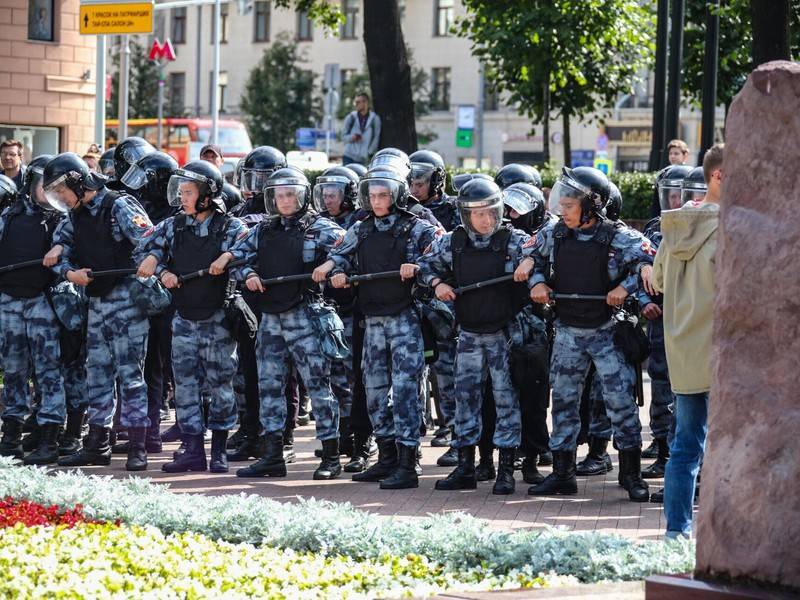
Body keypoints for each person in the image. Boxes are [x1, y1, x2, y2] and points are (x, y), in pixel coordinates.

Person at [528, 166, 652, 502]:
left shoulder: (618, 237)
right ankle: (562, 473)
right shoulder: (553, 234)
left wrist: (625, 288)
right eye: (561, 204)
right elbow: (528, 255)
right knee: (564, 402)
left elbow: (649, 262)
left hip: (607, 331)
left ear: (592, 204)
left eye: (569, 205)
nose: (562, 210)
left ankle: (631, 475)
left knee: (621, 404)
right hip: (568, 330)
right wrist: (536, 280)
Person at [315, 165, 439, 490]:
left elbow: (440, 256)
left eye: (383, 194)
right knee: (373, 391)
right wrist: (332, 271)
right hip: (373, 322)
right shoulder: (362, 228)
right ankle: (385, 457)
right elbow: (339, 254)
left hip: (404, 320)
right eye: (372, 195)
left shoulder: (418, 227)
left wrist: (420, 269)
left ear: (397, 195)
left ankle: (407, 463)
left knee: (406, 393)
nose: (378, 200)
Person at [228, 168, 346, 480]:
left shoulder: (319, 228)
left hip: (305, 315)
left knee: (319, 386)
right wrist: (249, 275)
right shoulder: (263, 230)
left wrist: (330, 264)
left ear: (303, 196)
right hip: (271, 319)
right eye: (279, 195)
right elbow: (237, 257)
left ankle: (331, 457)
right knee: (269, 386)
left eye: (290, 194)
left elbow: (349, 249)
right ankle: (272, 455)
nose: (284, 201)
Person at [417, 178, 533, 495]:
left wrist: (529, 263)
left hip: (504, 334)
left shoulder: (514, 240)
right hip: (468, 334)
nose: (486, 220)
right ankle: (466, 466)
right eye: (478, 214)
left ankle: (506, 469)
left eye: (491, 212)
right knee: (465, 399)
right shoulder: (452, 242)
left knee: (506, 401)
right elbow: (423, 265)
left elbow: (543, 251)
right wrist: (438, 284)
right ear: (466, 216)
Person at [44, 153, 154, 471]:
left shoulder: (119, 204)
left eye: (61, 190)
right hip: (97, 301)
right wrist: (69, 273)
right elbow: (60, 245)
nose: (60, 198)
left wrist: (141, 267)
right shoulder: (75, 213)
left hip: (127, 300)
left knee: (131, 376)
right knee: (98, 374)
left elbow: (150, 243)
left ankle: (137, 445)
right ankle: (97, 443)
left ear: (78, 182)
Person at [135, 160, 245, 473]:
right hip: (183, 318)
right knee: (185, 386)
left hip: (217, 320)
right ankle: (192, 449)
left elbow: (250, 245)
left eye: (188, 192)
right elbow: (144, 249)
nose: (181, 197)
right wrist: (161, 267)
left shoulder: (229, 226)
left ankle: (219, 450)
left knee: (220, 384)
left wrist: (228, 256)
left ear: (207, 196)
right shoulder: (174, 225)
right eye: (180, 191)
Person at [643, 143, 723, 538]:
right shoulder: (732, 226)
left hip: (682, 349)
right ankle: (723, 538)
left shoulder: (674, 226)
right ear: (719, 176)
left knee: (685, 447)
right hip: (724, 355)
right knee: (727, 451)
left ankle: (677, 532)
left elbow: (657, 282)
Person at [0, 173, 67, 465]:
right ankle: (11, 435)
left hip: (42, 302)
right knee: (13, 369)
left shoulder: (60, 219)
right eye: (44, 184)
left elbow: (73, 251)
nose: (48, 191)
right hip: (10, 300)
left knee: (48, 371)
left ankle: (49, 438)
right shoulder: (10, 215)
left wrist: (60, 248)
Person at [342, 93, 381, 166]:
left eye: (357, 102)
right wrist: (352, 137)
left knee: (361, 177)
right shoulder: (351, 117)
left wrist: (369, 152)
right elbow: (343, 137)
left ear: (365, 102)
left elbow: (376, 138)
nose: (355, 104)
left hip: (364, 159)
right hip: (348, 156)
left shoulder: (374, 119)